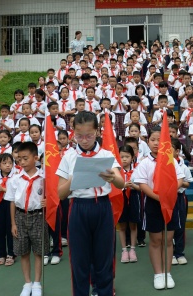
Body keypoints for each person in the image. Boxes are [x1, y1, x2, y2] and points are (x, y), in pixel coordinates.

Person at [56, 112, 124, 296]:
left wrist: (112, 177)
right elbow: (60, 194)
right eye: (79, 136)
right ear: (73, 133)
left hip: (102, 207)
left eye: (89, 135)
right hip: (78, 208)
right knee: (79, 261)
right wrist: (74, 179)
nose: (84, 140)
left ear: (97, 132)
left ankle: (104, 292)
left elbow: (121, 183)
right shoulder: (69, 156)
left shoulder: (106, 154)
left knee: (104, 258)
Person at [132, 127, 185, 290]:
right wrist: (159, 198)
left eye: (159, 140)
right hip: (153, 203)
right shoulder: (145, 162)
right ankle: (158, 274)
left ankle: (167, 273)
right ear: (147, 142)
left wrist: (168, 195)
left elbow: (180, 179)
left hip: (170, 202)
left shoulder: (171, 160)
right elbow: (142, 184)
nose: (156, 143)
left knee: (168, 240)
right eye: (153, 140)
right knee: (156, 240)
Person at [5, 142, 48, 296]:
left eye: (25, 158)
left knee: (38, 252)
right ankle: (27, 283)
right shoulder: (15, 179)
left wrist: (47, 202)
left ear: (35, 158)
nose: (22, 162)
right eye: (19, 159)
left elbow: (53, 197)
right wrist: (13, 223)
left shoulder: (44, 178)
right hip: (20, 216)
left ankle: (37, 283)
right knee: (23, 252)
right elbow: (12, 202)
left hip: (38, 216)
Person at [0, 153, 16, 266]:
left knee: (10, 229)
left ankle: (11, 253)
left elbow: (17, 192)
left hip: (11, 204)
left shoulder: (15, 177)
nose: (7, 165)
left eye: (10, 163)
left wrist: (4, 189)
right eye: (4, 163)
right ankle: (1, 254)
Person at [172, 138, 193, 265]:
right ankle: (170, 253)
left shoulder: (183, 166)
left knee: (180, 225)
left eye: (170, 149)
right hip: (167, 198)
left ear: (177, 151)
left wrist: (177, 183)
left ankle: (179, 253)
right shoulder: (162, 165)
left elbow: (188, 183)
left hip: (180, 197)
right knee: (169, 226)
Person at [118, 145, 140, 264]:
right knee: (122, 226)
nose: (124, 159)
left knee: (133, 225)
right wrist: (122, 185)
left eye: (127, 156)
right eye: (121, 157)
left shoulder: (137, 169)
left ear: (132, 157)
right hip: (120, 198)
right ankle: (124, 250)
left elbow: (141, 187)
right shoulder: (116, 171)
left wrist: (133, 186)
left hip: (133, 197)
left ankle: (132, 249)